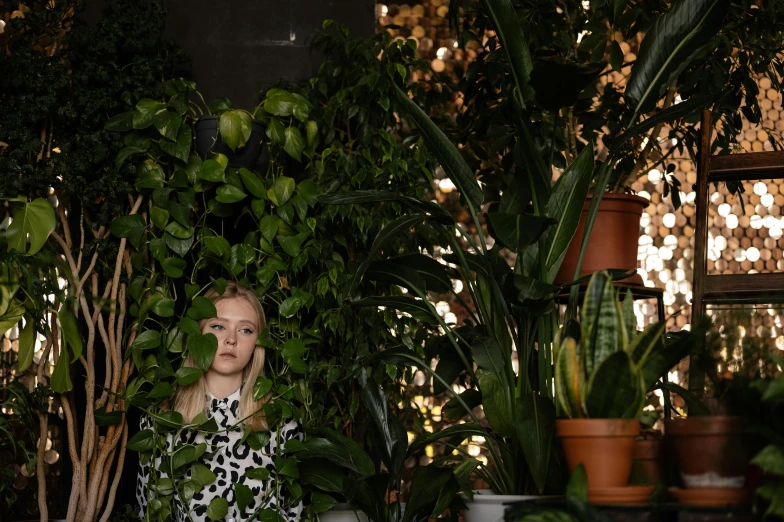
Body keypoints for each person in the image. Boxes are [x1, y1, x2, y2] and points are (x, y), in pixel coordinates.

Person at [136, 281, 303, 522]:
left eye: (245, 329)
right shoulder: (160, 422)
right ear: (198, 335)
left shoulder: (281, 424)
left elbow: (294, 515)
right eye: (218, 326)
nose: (231, 340)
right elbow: (149, 515)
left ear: (258, 342)